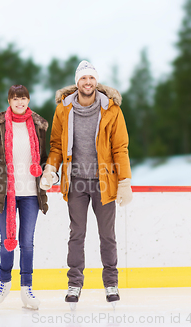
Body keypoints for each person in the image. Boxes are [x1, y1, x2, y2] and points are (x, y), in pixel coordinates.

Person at [40, 61, 133, 305]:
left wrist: (124, 181)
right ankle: (74, 284)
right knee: (77, 234)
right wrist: (50, 168)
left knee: (107, 235)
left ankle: (111, 283)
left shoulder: (111, 110)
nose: (88, 83)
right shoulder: (64, 109)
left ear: (96, 82)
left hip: (104, 182)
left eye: (91, 78)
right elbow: (57, 146)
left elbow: (120, 148)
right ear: (77, 82)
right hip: (76, 182)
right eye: (83, 79)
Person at [0, 85, 49, 310]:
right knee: (6, 241)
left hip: (31, 193)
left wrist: (50, 173)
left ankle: (27, 288)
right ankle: (4, 282)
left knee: (27, 243)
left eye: (23, 99)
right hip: (5, 193)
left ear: (28, 100)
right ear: (9, 101)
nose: (20, 102)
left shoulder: (39, 126)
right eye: (15, 99)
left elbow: (44, 157)